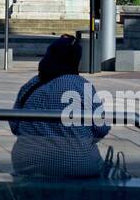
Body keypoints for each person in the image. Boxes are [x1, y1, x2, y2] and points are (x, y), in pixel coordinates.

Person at [9, 35, 109, 178]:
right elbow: (102, 127)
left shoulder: (30, 85)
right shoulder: (81, 85)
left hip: (27, 161)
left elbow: (15, 125)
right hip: (77, 162)